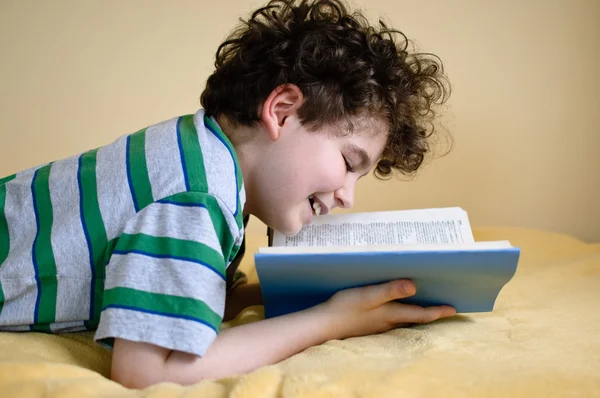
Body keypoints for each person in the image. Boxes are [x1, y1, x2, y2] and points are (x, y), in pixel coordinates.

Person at [0, 0, 456, 388]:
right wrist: (332, 321)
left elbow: (196, 290)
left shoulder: (199, 154)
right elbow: (146, 372)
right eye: (348, 163)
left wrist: (288, 293)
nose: (347, 196)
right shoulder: (196, 196)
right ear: (282, 110)